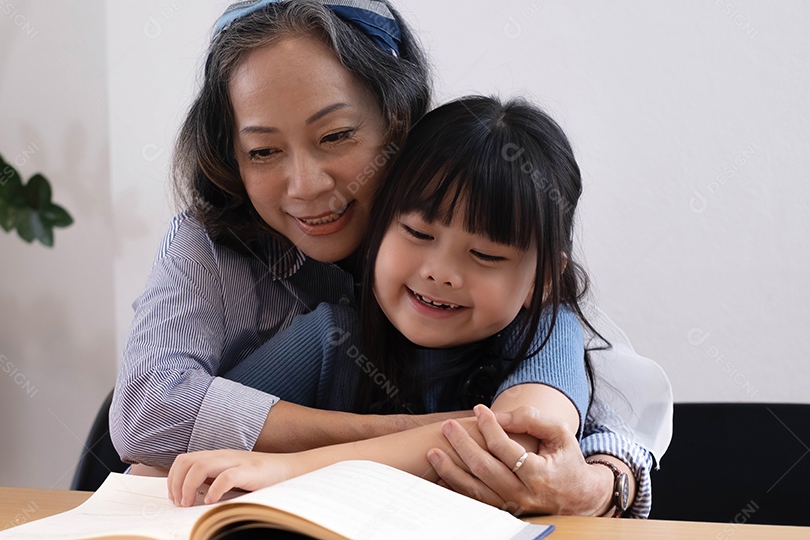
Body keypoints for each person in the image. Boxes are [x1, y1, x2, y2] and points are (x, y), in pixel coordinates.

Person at [111, 0, 656, 517]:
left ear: (397, 123)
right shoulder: (319, 328)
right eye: (263, 150)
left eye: (337, 135)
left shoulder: (524, 300)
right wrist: (443, 434)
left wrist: (605, 476)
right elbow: (149, 430)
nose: (304, 186)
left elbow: (552, 433)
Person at [167, 95, 604, 508]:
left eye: (485, 255)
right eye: (418, 233)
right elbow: (190, 441)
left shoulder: (544, 336)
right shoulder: (330, 338)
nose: (439, 272)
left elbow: (522, 448)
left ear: (542, 280)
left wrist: (291, 467)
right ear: (379, 226)